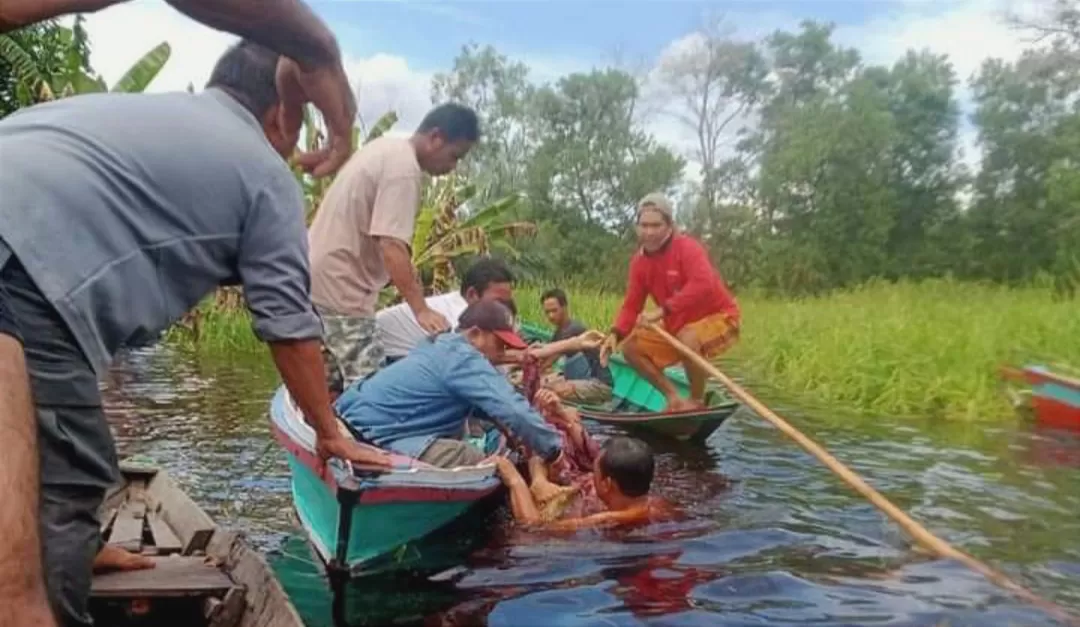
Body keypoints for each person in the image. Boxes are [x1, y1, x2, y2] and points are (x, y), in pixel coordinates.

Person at [0, 41, 390, 627]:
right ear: (280, 115)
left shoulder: (133, 115)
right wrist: (328, 432)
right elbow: (288, 326)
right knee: (69, 481)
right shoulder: (262, 170)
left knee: (73, 455)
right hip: (22, 272)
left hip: (25, 261)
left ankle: (76, 551)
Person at [1, 0, 358, 180]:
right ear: (277, 118)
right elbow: (288, 321)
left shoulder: (138, 122)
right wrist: (316, 48)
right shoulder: (254, 172)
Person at [308, 103, 480, 395]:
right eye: (454, 156)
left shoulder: (383, 148)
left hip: (313, 282)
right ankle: (359, 438)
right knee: (372, 390)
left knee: (331, 384)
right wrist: (421, 309)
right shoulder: (404, 170)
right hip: (343, 290)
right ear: (435, 137)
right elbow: (391, 246)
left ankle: (326, 435)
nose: (453, 167)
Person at [337, 300, 580, 469]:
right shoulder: (465, 358)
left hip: (344, 415)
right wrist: (555, 452)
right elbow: (515, 410)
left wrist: (502, 424)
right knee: (482, 460)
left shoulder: (436, 343)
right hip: (374, 436)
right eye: (500, 345)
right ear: (475, 334)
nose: (502, 353)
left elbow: (482, 405)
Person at [600, 193, 740, 413]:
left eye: (656, 225)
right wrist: (615, 334)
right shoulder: (639, 263)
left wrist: (663, 310)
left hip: (720, 318)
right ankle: (674, 398)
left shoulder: (687, 248)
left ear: (669, 225)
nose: (649, 232)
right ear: (637, 226)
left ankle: (695, 400)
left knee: (687, 337)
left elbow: (704, 284)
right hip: (677, 327)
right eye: (644, 225)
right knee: (630, 348)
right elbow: (631, 305)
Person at [492, 436, 675, 530]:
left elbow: (533, 527)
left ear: (607, 484)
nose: (590, 477)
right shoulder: (660, 505)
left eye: (594, 473)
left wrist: (515, 481)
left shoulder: (603, 520)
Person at [376, 258, 514, 364]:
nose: (503, 308)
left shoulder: (465, 306)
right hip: (385, 357)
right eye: (498, 302)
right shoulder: (457, 315)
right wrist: (518, 357)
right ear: (472, 294)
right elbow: (465, 358)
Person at [540, 288, 613, 405]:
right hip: (582, 380)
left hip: (600, 385)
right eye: (547, 312)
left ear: (564, 307)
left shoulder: (572, 330)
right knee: (546, 383)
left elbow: (546, 362)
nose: (551, 316)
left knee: (550, 390)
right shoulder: (559, 331)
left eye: (554, 311)